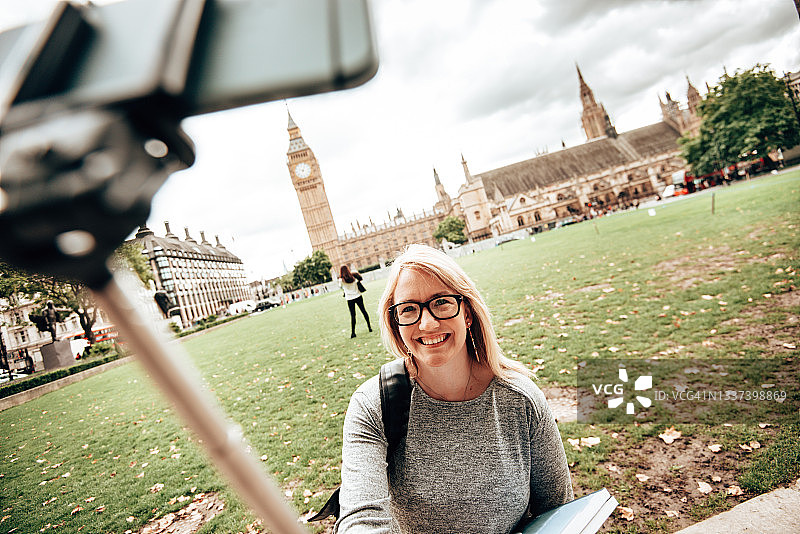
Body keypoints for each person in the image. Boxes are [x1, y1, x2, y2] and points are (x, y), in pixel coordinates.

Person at [335, 244, 573, 533]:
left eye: (441, 302)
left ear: (468, 312)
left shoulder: (520, 399)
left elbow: (557, 512)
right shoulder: (373, 405)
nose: (427, 323)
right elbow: (362, 519)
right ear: (396, 323)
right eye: (409, 309)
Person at [340, 265, 372, 338]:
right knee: (364, 311)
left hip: (349, 298)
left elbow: (340, 287)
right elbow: (360, 278)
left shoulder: (341, 280)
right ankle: (369, 327)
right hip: (358, 296)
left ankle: (353, 333)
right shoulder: (354, 277)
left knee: (353, 315)